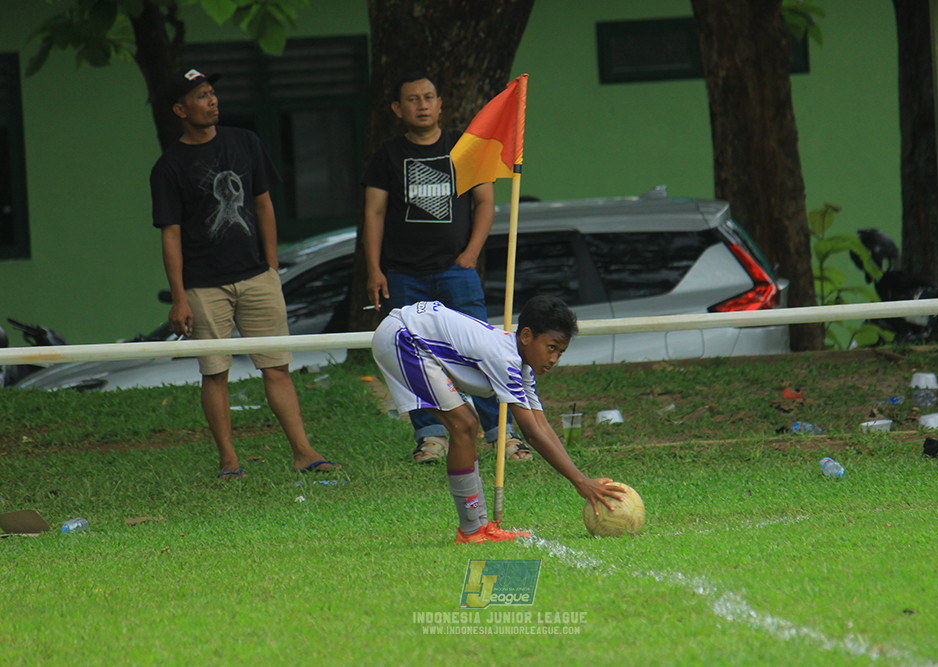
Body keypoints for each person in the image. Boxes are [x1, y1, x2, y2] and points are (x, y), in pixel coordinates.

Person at [149, 68, 338, 479]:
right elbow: (171, 235)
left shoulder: (245, 142)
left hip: (257, 276)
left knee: (276, 366)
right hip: (203, 285)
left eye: (212, 93)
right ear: (180, 109)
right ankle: (229, 460)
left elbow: (264, 203)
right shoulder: (168, 167)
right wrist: (179, 296)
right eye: (201, 96)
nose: (212, 100)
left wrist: (271, 264)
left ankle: (304, 452)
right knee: (215, 372)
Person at [362, 71, 533, 465]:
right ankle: (430, 436)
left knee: (482, 349)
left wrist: (472, 253)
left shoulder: (465, 146)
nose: (422, 105)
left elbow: (485, 203)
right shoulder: (388, 154)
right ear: (397, 108)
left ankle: (500, 434)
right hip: (403, 273)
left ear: (441, 104)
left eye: (428, 97)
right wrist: (374, 269)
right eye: (412, 99)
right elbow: (373, 212)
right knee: (412, 357)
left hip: (457, 271)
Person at [371, 295, 623, 544]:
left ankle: (478, 527)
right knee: (465, 424)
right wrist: (580, 482)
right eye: (551, 347)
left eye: (561, 352)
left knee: (466, 423)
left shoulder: (521, 366)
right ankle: (471, 530)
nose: (554, 359)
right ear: (526, 336)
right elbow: (531, 433)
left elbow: (541, 426)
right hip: (402, 335)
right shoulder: (504, 358)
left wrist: (581, 478)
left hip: (411, 330)